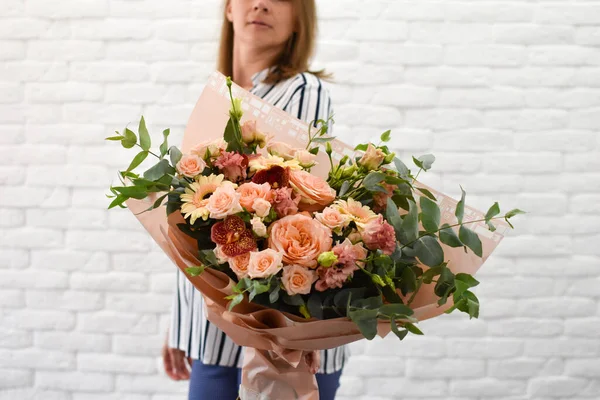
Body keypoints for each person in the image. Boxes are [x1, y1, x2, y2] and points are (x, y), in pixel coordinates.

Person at [162, 1, 349, 399]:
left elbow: (288, 215)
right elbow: (201, 227)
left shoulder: (300, 91)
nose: (261, 3)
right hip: (215, 334)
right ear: (229, 8)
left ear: (300, 16)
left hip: (282, 343)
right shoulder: (223, 95)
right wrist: (183, 321)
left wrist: (294, 336)